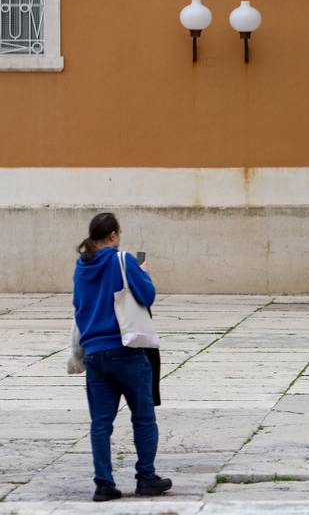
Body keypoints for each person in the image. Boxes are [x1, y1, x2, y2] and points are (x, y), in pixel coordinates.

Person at [72, 212, 173, 501]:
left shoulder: (82, 266)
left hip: (94, 352)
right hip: (125, 348)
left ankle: (104, 483)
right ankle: (146, 477)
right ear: (113, 235)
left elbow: (78, 306)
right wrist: (142, 272)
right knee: (142, 415)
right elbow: (147, 296)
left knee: (101, 422)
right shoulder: (123, 260)